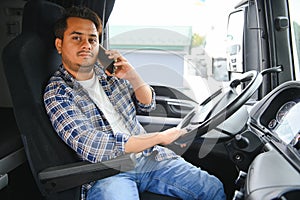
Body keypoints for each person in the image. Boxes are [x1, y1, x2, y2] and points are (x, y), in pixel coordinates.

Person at [43, 6, 226, 200]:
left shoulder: (108, 74)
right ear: (59, 45)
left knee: (213, 188)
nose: (87, 45)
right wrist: (159, 137)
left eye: (92, 39)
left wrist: (133, 76)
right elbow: (95, 147)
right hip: (106, 172)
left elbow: (147, 105)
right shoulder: (58, 92)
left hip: (147, 158)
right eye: (77, 38)